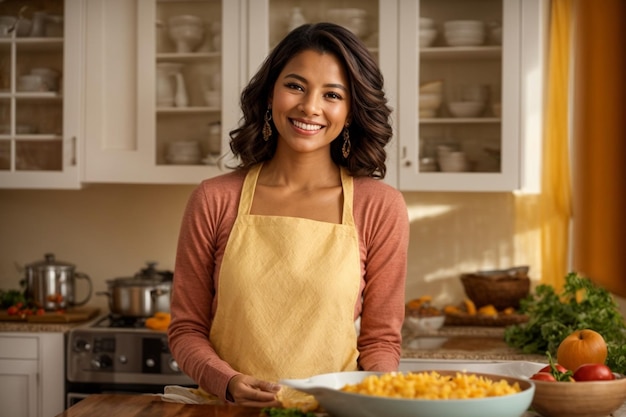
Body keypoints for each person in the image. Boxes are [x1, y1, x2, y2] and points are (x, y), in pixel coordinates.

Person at [167, 22, 409, 408]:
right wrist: (227, 381)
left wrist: (377, 399)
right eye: (295, 86)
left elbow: (379, 340)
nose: (310, 107)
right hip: (230, 411)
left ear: (350, 113)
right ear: (269, 94)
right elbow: (187, 329)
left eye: (332, 94)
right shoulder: (214, 199)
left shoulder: (379, 206)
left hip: (334, 412)